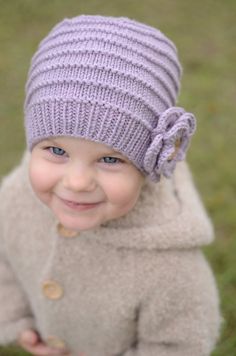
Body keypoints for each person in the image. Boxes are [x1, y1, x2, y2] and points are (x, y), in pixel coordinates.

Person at [0, 15, 221, 356]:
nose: (76, 182)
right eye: (57, 150)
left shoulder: (173, 270)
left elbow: (179, 347)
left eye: (110, 160)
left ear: (147, 165)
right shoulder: (16, 195)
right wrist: (16, 318)